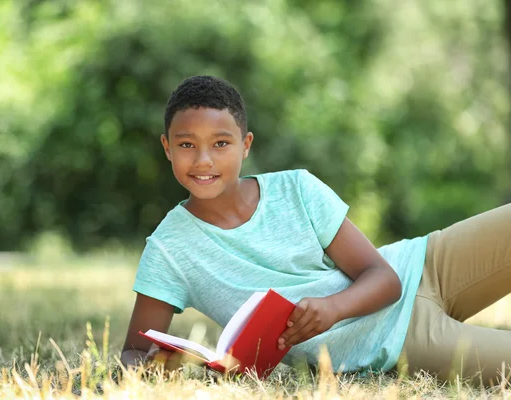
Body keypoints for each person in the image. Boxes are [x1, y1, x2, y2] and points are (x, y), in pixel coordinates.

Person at [120, 75, 511, 386]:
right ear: (167, 147)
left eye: (221, 143)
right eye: (187, 144)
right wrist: (153, 366)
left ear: (245, 145)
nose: (203, 160)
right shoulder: (168, 250)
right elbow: (134, 351)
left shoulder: (297, 189)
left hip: (425, 263)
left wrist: (331, 309)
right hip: (399, 340)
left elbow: (385, 279)